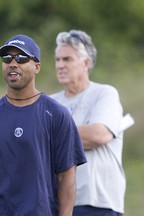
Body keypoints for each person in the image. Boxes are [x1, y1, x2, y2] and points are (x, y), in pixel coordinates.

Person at [0, 34, 87, 216]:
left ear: (37, 67)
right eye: (7, 58)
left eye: (21, 58)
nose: (13, 63)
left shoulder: (56, 114)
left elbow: (66, 178)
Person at [50, 30, 126, 216]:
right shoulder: (50, 103)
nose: (60, 65)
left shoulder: (104, 94)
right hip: (59, 203)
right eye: (58, 59)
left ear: (86, 63)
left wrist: (50, 136)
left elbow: (98, 135)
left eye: (67, 59)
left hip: (98, 201)